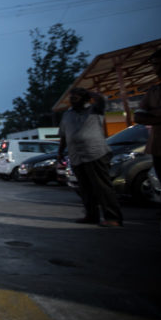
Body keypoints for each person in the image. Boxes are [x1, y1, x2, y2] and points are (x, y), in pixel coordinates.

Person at [58, 87, 123, 227]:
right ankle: (91, 215)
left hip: (95, 154)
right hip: (76, 156)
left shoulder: (95, 110)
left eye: (76, 97)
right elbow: (63, 136)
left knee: (102, 187)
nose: (72, 99)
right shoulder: (67, 115)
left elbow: (102, 99)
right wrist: (60, 153)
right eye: (71, 97)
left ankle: (113, 217)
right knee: (85, 188)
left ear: (85, 98)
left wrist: (90, 93)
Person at [134, 48, 161, 202]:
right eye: (154, 65)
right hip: (159, 149)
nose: (155, 69)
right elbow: (138, 117)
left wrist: (152, 113)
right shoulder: (154, 91)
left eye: (158, 64)